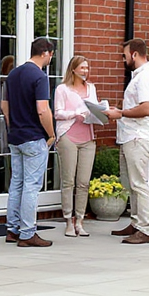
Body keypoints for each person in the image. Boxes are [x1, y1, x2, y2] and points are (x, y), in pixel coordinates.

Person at [106, 38, 149, 244]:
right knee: (132, 183)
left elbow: (146, 108)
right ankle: (137, 222)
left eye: (125, 55)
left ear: (135, 54)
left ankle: (145, 229)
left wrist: (120, 113)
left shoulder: (145, 77)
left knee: (140, 183)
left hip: (139, 137)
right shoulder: (140, 76)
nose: (123, 59)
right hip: (131, 136)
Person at [2, 37, 57, 247]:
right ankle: (27, 233)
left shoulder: (13, 74)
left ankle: (12, 229)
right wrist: (51, 134)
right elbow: (42, 109)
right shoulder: (39, 77)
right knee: (31, 187)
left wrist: (11, 126)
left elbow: (4, 106)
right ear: (45, 53)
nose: (51, 58)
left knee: (17, 183)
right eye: (51, 54)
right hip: (34, 137)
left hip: (15, 137)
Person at [53, 55, 99, 237]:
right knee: (68, 181)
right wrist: (75, 113)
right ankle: (68, 220)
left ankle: (80, 220)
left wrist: (98, 113)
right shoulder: (62, 89)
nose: (85, 71)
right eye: (82, 68)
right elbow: (57, 113)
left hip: (88, 137)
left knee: (83, 183)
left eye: (87, 68)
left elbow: (95, 109)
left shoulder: (91, 88)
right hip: (68, 137)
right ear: (73, 69)